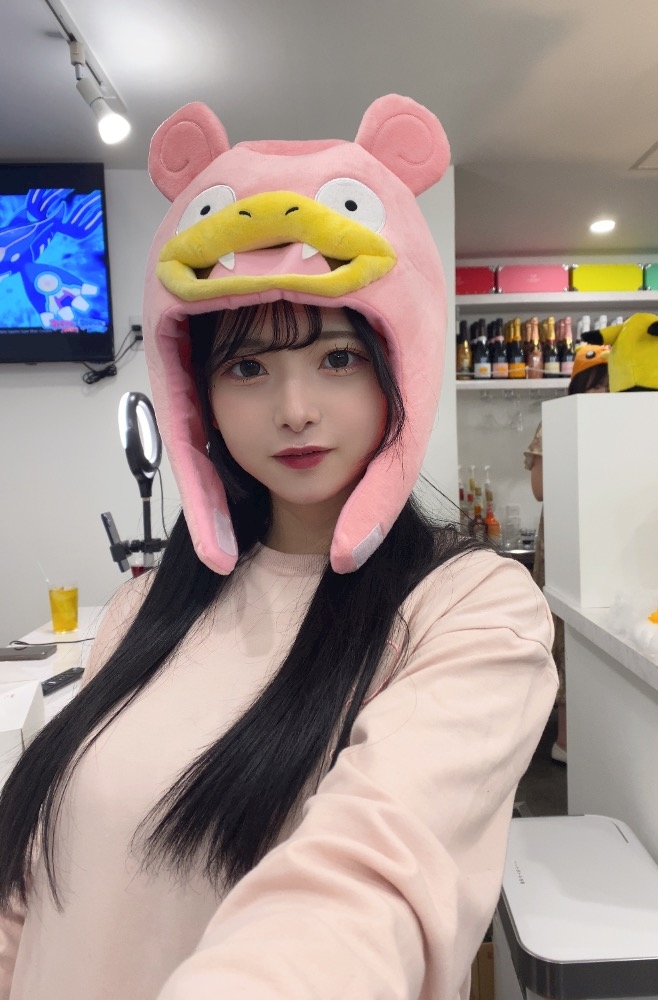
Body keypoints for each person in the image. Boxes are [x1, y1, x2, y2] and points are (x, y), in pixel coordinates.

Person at [0, 97, 557, 1000]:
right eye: (248, 366)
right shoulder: (146, 608)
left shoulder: (470, 610)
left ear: (398, 368)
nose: (294, 410)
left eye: (337, 358)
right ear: (197, 393)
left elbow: (371, 880)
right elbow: (35, 879)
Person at [524, 344, 609, 764]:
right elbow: (539, 489)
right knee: (563, 625)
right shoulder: (558, 421)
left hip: (600, 532)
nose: (602, 393)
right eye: (595, 384)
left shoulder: (618, 422)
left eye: (608, 384)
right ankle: (565, 738)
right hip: (565, 535)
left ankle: (595, 734)